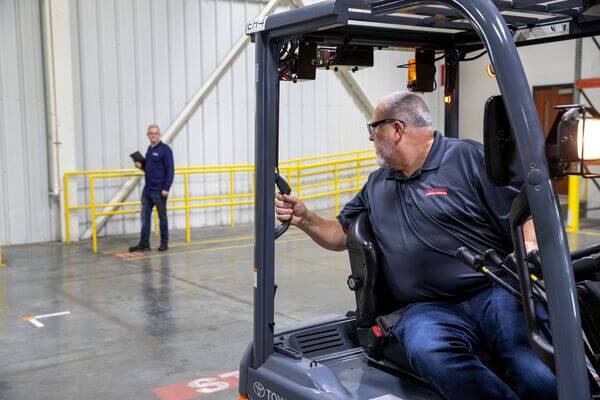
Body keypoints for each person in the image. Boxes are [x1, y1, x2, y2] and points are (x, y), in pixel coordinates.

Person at [275, 91, 557, 400]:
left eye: (373, 129)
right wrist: (306, 218)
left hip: (490, 290)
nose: (371, 139)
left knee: (531, 362)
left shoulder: (466, 158)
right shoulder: (377, 183)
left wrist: (529, 248)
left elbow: (523, 213)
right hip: (424, 307)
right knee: (428, 349)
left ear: (396, 129)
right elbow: (339, 234)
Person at [129, 124, 174, 253]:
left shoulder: (165, 150)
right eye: (151, 133)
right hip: (147, 190)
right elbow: (148, 169)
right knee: (145, 217)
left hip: (159, 191)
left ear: (159, 134)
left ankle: (164, 243)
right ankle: (144, 244)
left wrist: (166, 188)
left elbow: (170, 170)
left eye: (156, 133)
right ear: (148, 135)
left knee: (162, 217)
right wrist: (141, 166)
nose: (153, 135)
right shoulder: (149, 149)